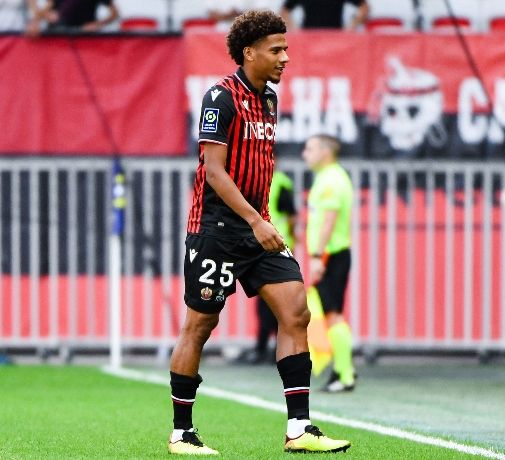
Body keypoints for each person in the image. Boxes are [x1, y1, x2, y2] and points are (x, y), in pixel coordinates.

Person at [169, 10, 350, 454]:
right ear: (249, 52)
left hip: (257, 229)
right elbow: (214, 172)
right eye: (277, 49)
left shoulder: (269, 100)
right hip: (216, 230)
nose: (285, 57)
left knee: (296, 313)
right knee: (200, 325)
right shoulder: (220, 97)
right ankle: (182, 432)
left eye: (286, 48)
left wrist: (260, 220)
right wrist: (255, 219)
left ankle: (299, 430)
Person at [301, 134, 356, 392]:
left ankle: (345, 374)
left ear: (325, 152)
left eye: (310, 149)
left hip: (330, 255)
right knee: (332, 313)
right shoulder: (329, 177)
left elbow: (329, 220)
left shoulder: (332, 180)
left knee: (333, 314)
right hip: (331, 254)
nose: (305, 154)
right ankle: (342, 371)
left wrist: (317, 257)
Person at [242, 169, 298, 365]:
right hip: (263, 247)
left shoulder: (279, 182)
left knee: (271, 305)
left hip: (275, 247)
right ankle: (267, 348)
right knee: (268, 304)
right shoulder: (260, 178)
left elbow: (291, 217)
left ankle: (270, 349)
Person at [26, 0, 119, 34]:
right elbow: (48, 8)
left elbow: (114, 14)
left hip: (84, 38)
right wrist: (36, 20)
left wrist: (97, 24)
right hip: (58, 35)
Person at [280, 0, 368, 31]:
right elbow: (284, 10)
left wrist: (352, 26)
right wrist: (294, 29)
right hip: (309, 40)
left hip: (335, 39)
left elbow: (364, 7)